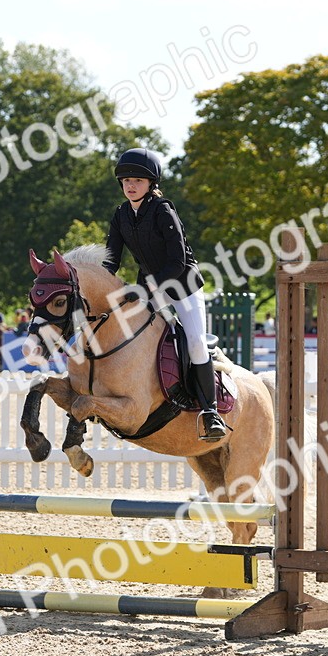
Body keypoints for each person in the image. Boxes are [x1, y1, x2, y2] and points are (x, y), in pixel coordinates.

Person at [103, 147, 226, 440]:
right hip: (150, 286)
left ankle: (210, 412)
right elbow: (111, 260)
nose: (131, 185)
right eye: (126, 180)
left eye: (138, 181)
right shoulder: (121, 215)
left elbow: (177, 262)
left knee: (195, 341)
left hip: (182, 285)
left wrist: (145, 288)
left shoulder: (163, 210)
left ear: (151, 184)